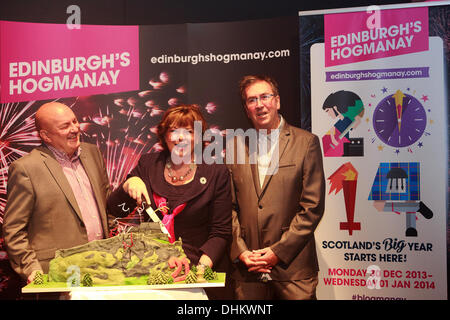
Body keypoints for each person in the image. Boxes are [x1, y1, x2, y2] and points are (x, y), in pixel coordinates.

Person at [106, 104, 233, 299]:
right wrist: (127, 185)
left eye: (189, 131)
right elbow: (118, 210)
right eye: (174, 131)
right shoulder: (148, 165)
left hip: (199, 273)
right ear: (164, 136)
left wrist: (199, 271)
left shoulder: (216, 172)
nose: (180, 138)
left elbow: (220, 232)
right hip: (152, 272)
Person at [227, 75, 325, 299]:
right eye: (252, 100)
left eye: (265, 97)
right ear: (246, 108)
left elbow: (313, 206)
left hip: (293, 271)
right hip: (248, 270)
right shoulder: (235, 145)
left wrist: (278, 252)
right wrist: (240, 251)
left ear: (277, 101)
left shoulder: (306, 142)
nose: (259, 104)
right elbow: (227, 207)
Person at [2, 102, 111, 284]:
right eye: (65, 126)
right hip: (57, 275)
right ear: (45, 135)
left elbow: (107, 205)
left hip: (103, 268)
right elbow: (14, 230)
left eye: (75, 121)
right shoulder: (26, 169)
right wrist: (31, 269)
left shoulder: (93, 154)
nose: (75, 129)